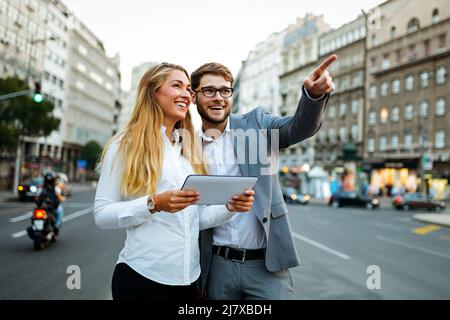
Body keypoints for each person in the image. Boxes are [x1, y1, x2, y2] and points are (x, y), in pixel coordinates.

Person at [93, 63, 255, 301]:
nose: (187, 94)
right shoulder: (125, 144)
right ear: (153, 91)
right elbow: (102, 214)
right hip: (141, 280)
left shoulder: (189, 149)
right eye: (176, 85)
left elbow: (195, 220)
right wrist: (154, 203)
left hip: (189, 282)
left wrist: (229, 207)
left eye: (189, 89)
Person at [191, 55, 336, 299]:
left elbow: (298, 127)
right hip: (216, 266)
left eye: (225, 91)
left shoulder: (255, 124)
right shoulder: (188, 147)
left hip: (266, 266)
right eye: (209, 90)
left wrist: (313, 97)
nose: (218, 97)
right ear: (194, 96)